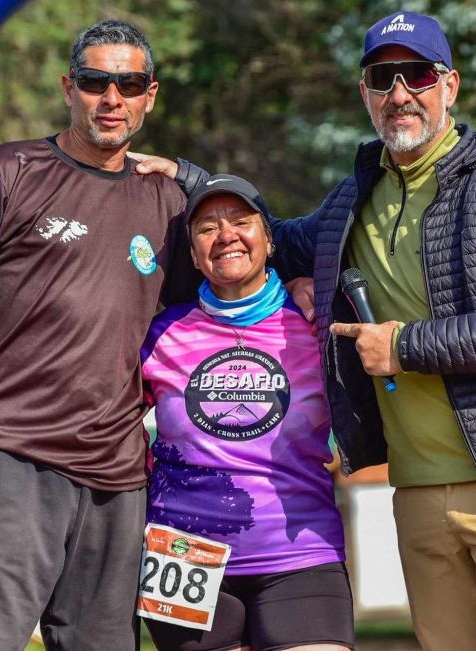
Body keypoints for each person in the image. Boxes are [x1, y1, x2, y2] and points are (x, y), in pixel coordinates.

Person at [138, 9, 476, 651]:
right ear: (365, 94)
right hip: (418, 491)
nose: (400, 93)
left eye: (417, 74)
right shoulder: (356, 196)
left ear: (450, 86)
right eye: (382, 79)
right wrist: (194, 183)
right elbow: (270, 240)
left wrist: (403, 347)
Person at [0, 20, 200, 650]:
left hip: (119, 475)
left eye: (129, 84)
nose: (112, 98)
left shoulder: (171, 204)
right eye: (97, 82)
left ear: (151, 94)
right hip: (8, 456)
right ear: (70, 88)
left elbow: (214, 310)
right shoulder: (8, 171)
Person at [139, 175, 352, 651]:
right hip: (182, 555)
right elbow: (105, 420)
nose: (226, 235)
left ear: (269, 238)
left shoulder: (317, 324)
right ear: (193, 255)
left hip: (300, 551)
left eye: (241, 221)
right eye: (207, 228)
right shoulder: (161, 333)